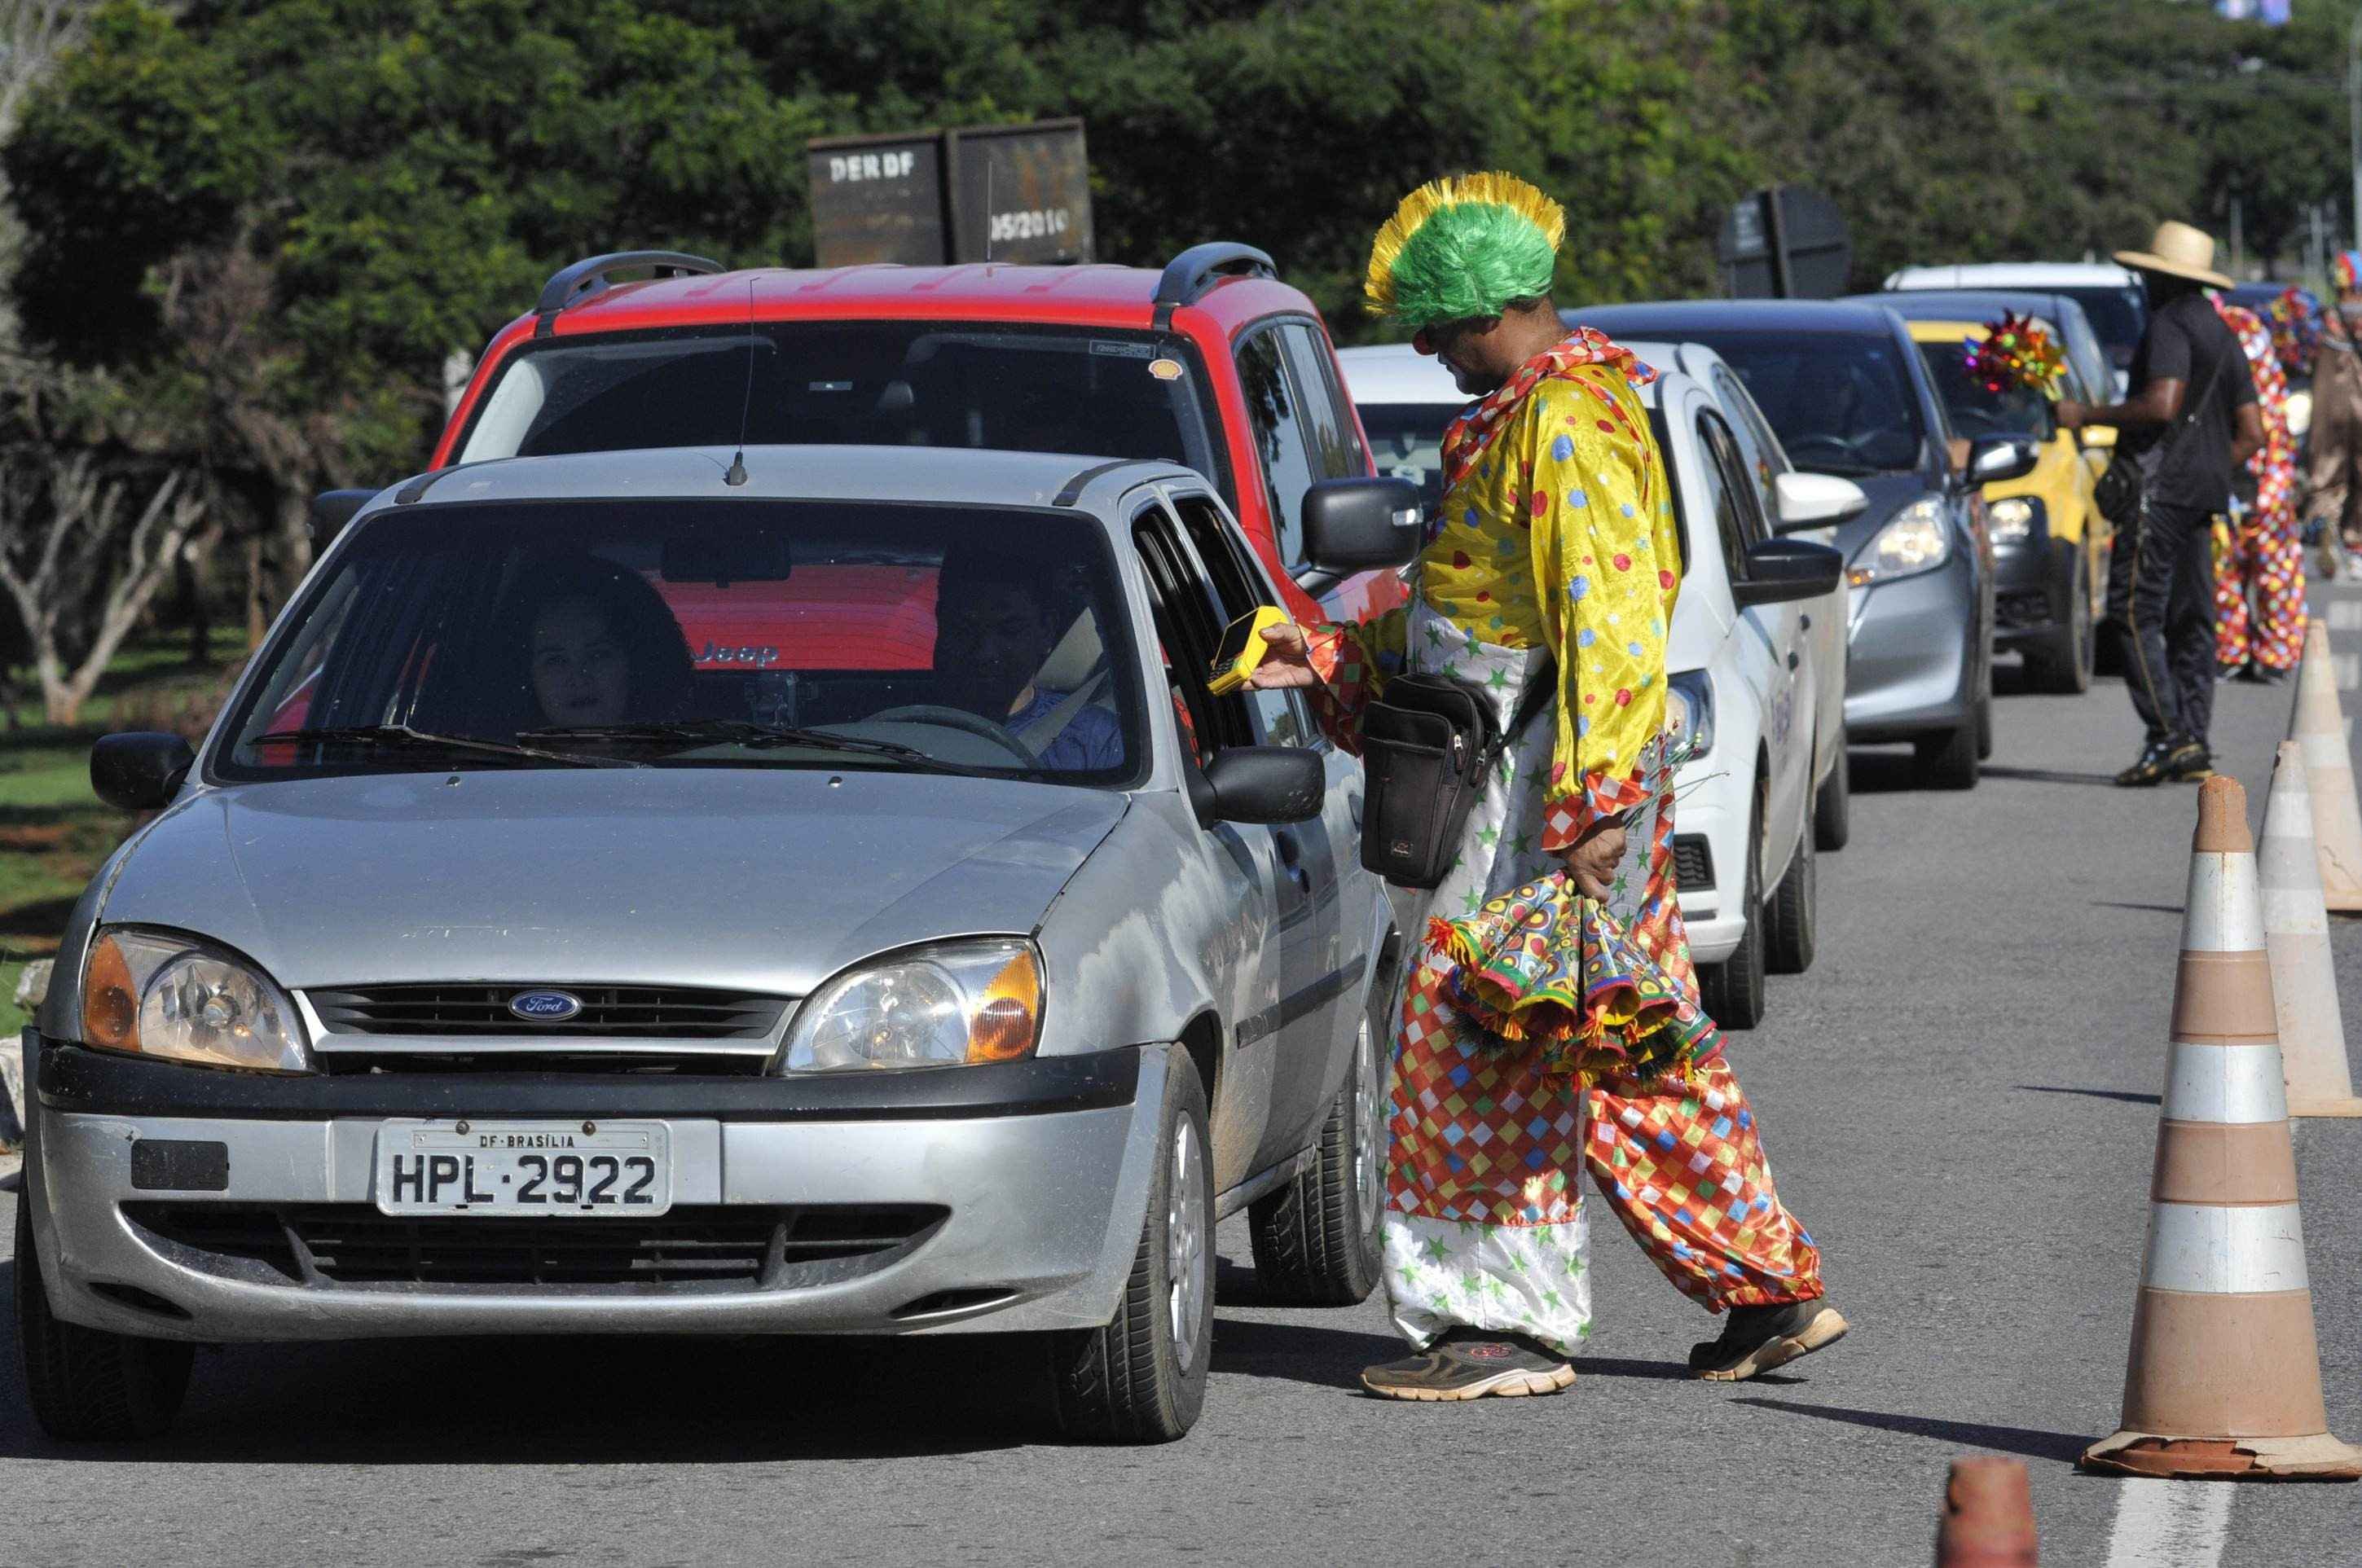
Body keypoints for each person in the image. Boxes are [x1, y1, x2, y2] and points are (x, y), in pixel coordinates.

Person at [1250, 172, 1842, 1400]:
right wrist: (1329, 658)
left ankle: (1495, 1329)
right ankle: (1766, 1291)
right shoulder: (1543, 411)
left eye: (1435, 325)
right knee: (1624, 1049)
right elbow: (1476, 616)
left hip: (1542, 812)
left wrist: (1590, 812)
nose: (1422, 347)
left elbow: (1610, 624)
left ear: (1488, 313)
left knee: (1472, 1055)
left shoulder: (1562, 426)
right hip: (1555, 800)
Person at [2058, 222, 2262, 788]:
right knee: (2191, 618)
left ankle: (2171, 735)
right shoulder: (2222, 335)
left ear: (2161, 278)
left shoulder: (2168, 323)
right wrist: (2212, 467)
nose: (2142, 283)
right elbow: (2254, 431)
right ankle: (2192, 735)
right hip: (2200, 495)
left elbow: (2161, 404)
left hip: (2158, 495)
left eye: (2147, 274)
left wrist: (2084, 416)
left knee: (2131, 612)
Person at [932, 547, 1123, 771]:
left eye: (1009, 630)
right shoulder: (889, 730)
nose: (985, 652)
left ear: (1047, 630)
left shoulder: (1095, 738)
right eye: (965, 629)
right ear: (941, 623)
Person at [2209, 297, 2302, 683]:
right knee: (2221, 558)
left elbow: (2260, 415)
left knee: (2271, 560)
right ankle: (2230, 648)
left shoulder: (2240, 330)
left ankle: (2275, 650)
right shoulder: (2196, 328)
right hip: (2224, 461)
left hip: (2262, 466)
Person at [497, 556, 696, 731]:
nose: (579, 678)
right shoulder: (487, 770)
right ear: (526, 675)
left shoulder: (690, 769)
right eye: (555, 660)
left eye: (598, 655)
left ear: (636, 663)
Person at [2304, 252, 2362, 581]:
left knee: (2326, 469)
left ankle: (2326, 526)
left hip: (2328, 409)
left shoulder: (2323, 321)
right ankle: (2355, 546)